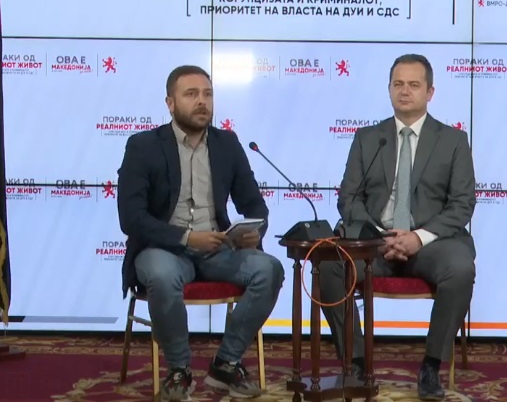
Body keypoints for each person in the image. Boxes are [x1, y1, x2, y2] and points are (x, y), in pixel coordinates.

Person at [117, 65, 285, 401]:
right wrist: (185, 238)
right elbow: (131, 218)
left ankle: (226, 363)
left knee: (269, 269)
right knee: (162, 275)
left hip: (219, 249)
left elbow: (255, 205)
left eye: (207, 94)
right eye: (191, 94)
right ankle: (179, 370)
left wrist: (253, 231)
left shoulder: (227, 144)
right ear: (170, 103)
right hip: (163, 249)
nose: (202, 102)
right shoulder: (143, 146)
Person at [319, 54, 476, 401]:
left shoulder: (453, 140)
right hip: (374, 243)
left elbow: (462, 204)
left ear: (430, 92)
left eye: (414, 85)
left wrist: (417, 237)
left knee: (460, 268)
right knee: (328, 265)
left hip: (431, 243)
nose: (405, 91)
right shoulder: (368, 138)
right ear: (389, 89)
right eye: (398, 84)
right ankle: (355, 362)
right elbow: (349, 198)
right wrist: (380, 237)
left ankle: (431, 366)